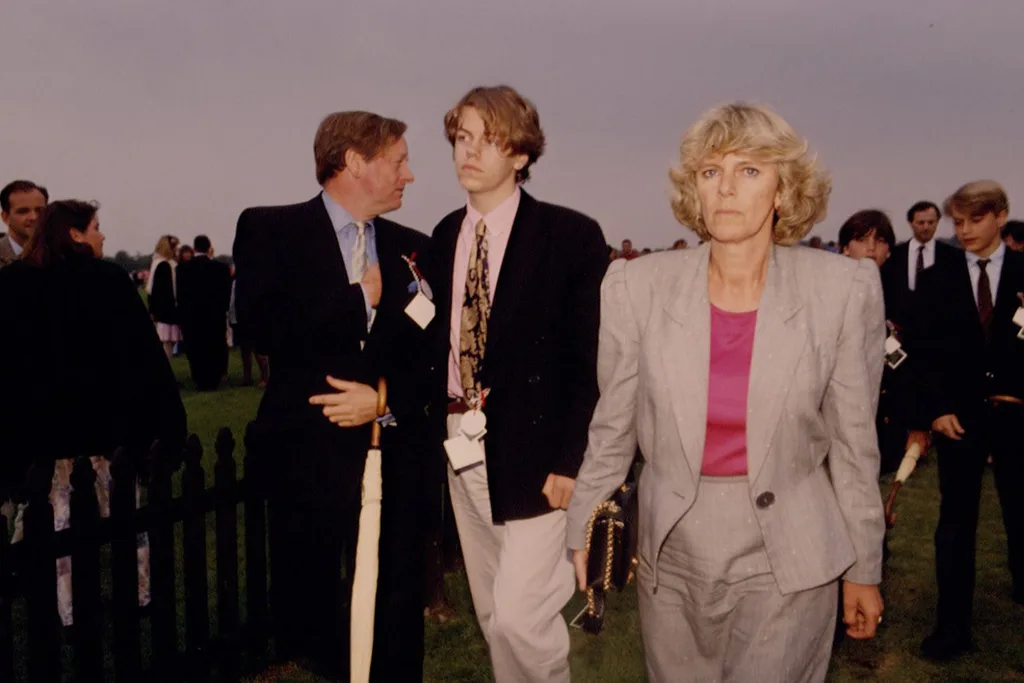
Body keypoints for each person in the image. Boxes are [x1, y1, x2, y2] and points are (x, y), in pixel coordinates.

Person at [567, 103, 885, 683]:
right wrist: (583, 526)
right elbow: (611, 425)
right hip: (673, 549)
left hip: (791, 551)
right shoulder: (637, 287)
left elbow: (854, 443)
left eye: (750, 171)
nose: (727, 189)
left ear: (784, 190)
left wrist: (864, 563)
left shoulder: (842, 289)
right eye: (711, 173)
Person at [233, 110, 436, 682]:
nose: (409, 175)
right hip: (306, 461)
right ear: (352, 162)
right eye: (398, 161)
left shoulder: (413, 250)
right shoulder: (270, 228)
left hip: (393, 455)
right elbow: (258, 326)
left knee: (395, 609)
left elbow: (433, 357)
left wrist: (383, 398)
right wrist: (357, 300)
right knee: (315, 617)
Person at [430, 85, 606, 683]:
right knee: (490, 610)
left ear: (522, 154)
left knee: (518, 616)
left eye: (488, 139)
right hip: (462, 442)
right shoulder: (442, 236)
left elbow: (589, 363)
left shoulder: (570, 236)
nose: (469, 152)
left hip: (538, 454)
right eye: (461, 138)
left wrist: (572, 460)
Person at [0, 199, 186, 625]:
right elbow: (143, 359)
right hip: (105, 432)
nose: (102, 235)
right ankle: (137, 597)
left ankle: (64, 609)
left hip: (42, 437)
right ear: (74, 233)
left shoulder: (10, 285)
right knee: (121, 520)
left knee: (57, 524)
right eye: (96, 227)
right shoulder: (107, 280)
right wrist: (164, 422)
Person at [908, 181, 1023, 661]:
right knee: (955, 526)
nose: (965, 230)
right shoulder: (938, 278)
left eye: (975, 219)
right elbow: (921, 354)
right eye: (958, 222)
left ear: (1000, 216)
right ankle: (951, 629)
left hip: (1018, 419)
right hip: (959, 420)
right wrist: (934, 410)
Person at [881, 200, 960, 330]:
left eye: (931, 222)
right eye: (920, 223)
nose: (926, 227)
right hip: (900, 332)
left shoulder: (953, 256)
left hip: (940, 332)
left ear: (937, 222)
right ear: (911, 223)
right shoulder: (893, 255)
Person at [176, 235, 232, 391]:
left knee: (196, 347)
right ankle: (214, 377)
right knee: (214, 345)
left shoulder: (182, 269)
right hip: (214, 314)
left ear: (194, 249)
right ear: (209, 248)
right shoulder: (220, 268)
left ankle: (200, 377)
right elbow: (226, 293)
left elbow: (180, 295)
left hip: (192, 315)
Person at [147, 235, 182, 362]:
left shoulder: (158, 263)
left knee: (167, 343)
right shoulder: (164, 265)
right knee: (167, 343)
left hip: (162, 310)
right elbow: (163, 291)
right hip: (167, 310)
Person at [0, 180, 48, 267]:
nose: (33, 217)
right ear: (5, 217)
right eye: (23, 211)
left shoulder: (61, 255)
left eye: (40, 211)